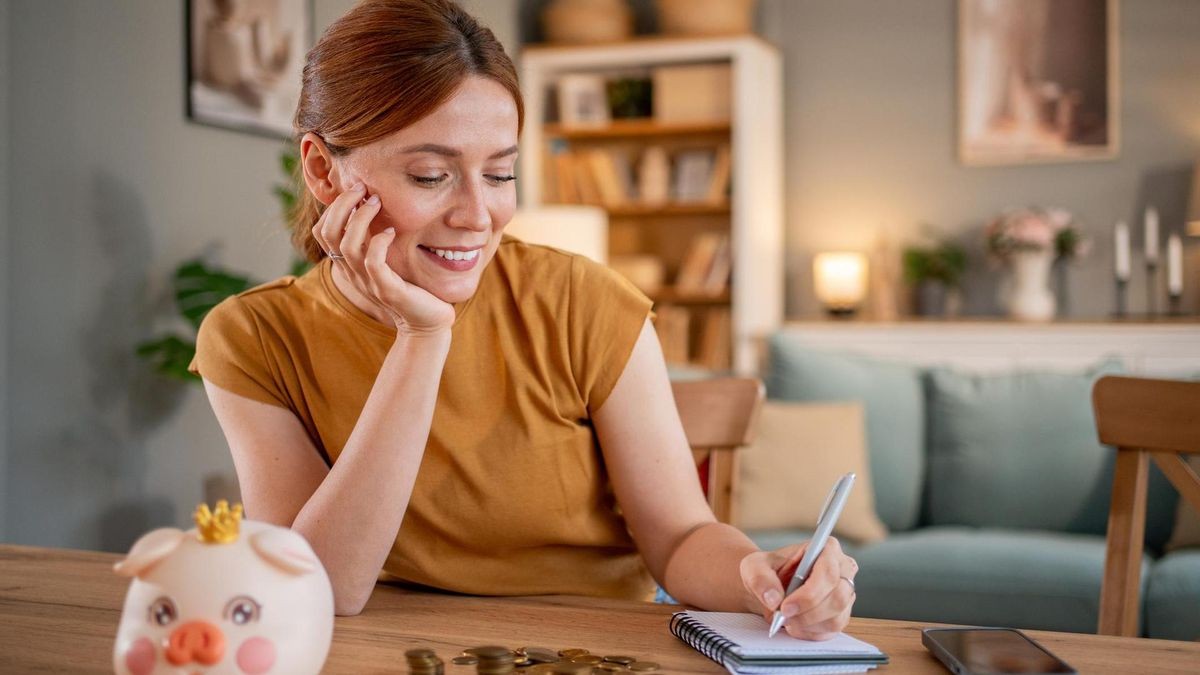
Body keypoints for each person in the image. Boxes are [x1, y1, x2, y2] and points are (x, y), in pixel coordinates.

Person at [191, 0, 858, 639]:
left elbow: (680, 536)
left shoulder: (582, 301)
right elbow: (321, 589)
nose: (477, 215)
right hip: (386, 650)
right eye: (431, 175)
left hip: (588, 650)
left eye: (501, 173)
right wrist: (422, 337)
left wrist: (754, 573)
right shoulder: (253, 338)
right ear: (322, 171)